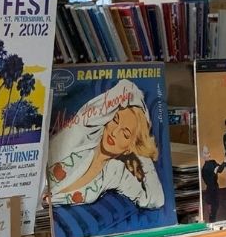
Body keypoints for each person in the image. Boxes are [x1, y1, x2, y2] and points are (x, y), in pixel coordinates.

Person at [48, 79, 165, 211]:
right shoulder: (83, 134)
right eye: (115, 120)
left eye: (125, 134)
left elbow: (156, 199)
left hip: (45, 218)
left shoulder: (115, 173)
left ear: (129, 148)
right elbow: (125, 87)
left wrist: (141, 150)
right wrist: (133, 100)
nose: (114, 132)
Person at [200, 145, 223, 221]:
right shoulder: (204, 169)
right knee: (212, 211)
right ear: (202, 155)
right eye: (205, 153)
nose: (208, 154)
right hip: (210, 191)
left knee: (216, 206)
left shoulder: (213, 162)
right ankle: (212, 221)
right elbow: (209, 182)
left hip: (216, 188)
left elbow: (220, 170)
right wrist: (214, 172)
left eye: (208, 152)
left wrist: (224, 162)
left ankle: (214, 220)